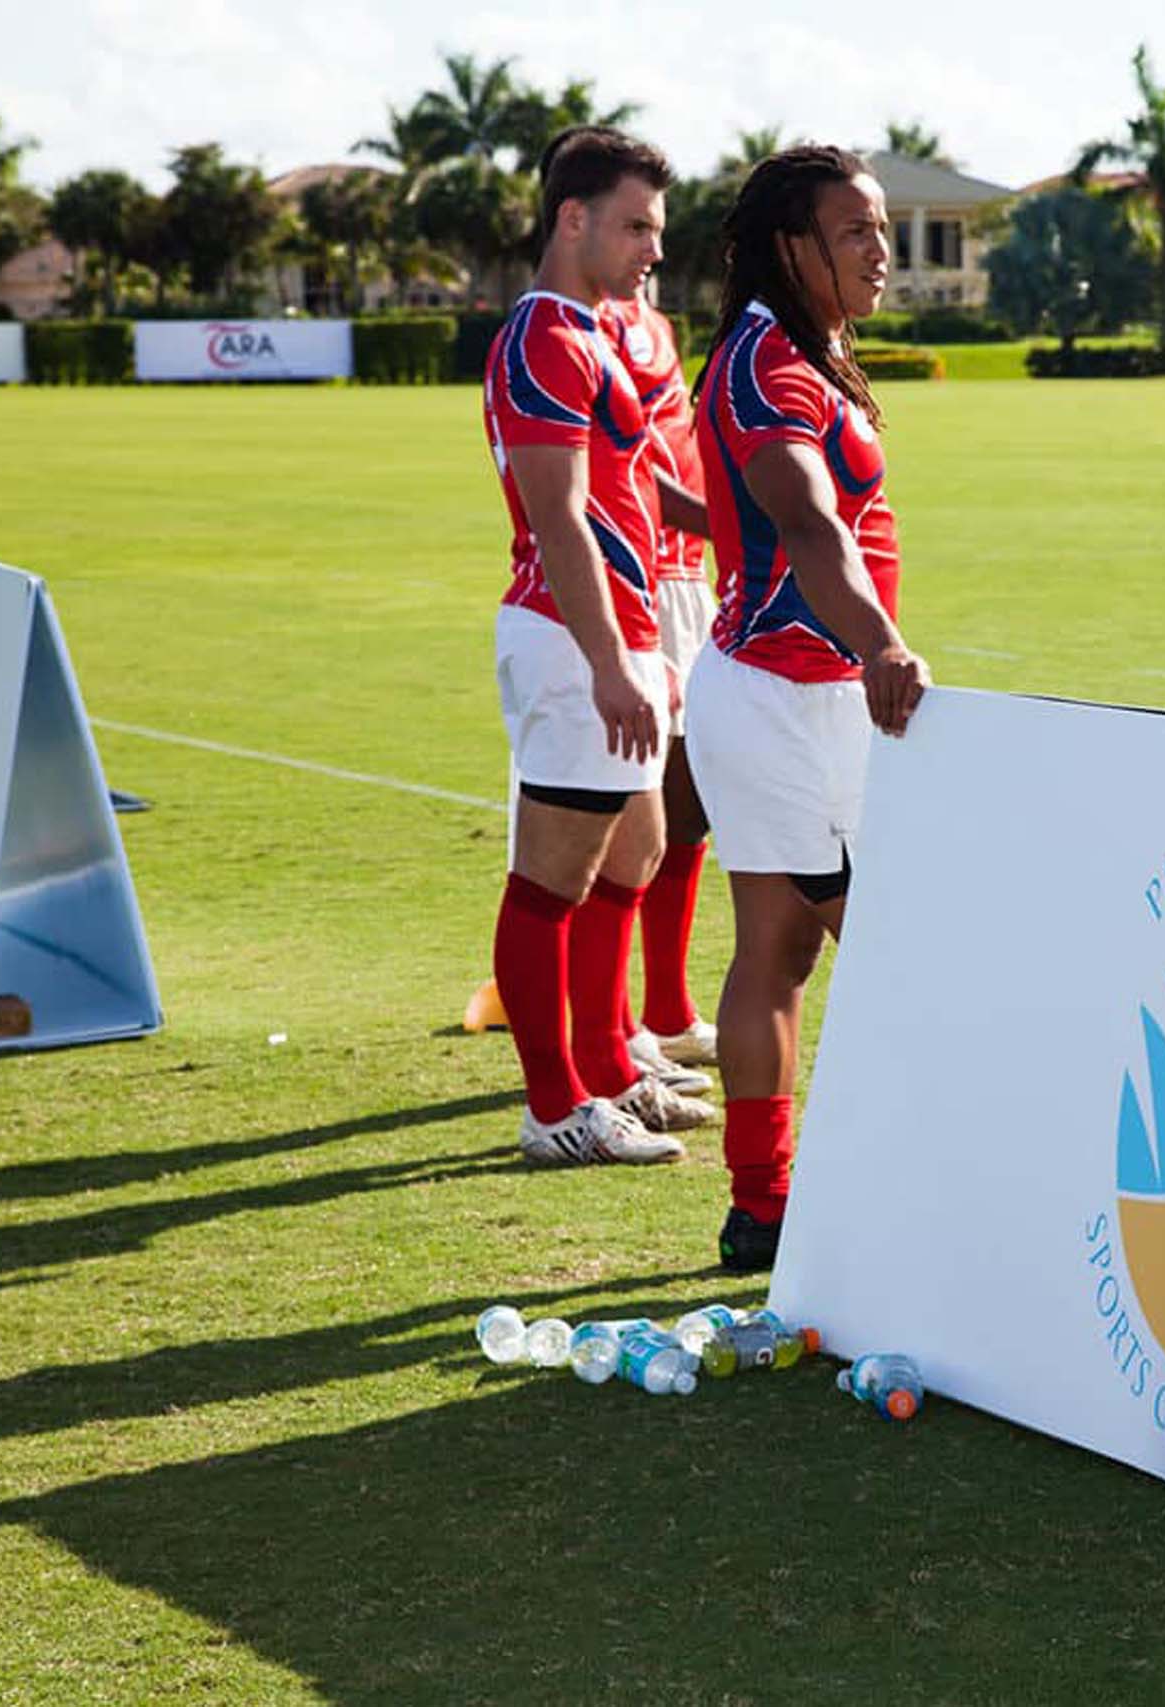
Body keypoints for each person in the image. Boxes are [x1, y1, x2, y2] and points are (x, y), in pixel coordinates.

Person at [689, 145, 929, 1269]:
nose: (879, 250)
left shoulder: (785, 350)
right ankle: (893, 1183)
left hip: (780, 692)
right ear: (793, 246)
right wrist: (880, 640)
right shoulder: (771, 365)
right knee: (895, 952)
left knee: (775, 954)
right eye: (854, 232)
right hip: (801, 700)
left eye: (882, 228)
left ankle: (763, 1208)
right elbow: (807, 523)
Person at [483, 128, 718, 1166]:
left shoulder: (591, 332)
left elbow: (633, 487)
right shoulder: (542, 336)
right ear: (570, 219)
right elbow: (561, 515)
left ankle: (612, 1068)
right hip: (572, 637)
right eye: (635, 226)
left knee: (639, 849)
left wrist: (738, 531)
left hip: (619, 633)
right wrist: (614, 659)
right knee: (551, 880)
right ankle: (554, 1109)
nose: (651, 251)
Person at [599, 287, 720, 1077]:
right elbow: (628, 470)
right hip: (638, 587)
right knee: (620, 827)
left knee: (687, 806)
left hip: (690, 586)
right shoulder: (587, 325)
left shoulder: (657, 324)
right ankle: (612, 1030)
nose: (653, 251)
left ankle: (667, 1010)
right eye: (636, 225)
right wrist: (734, 521)